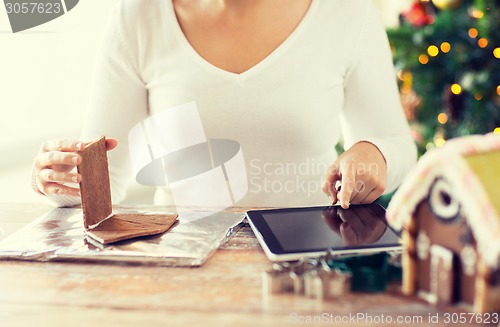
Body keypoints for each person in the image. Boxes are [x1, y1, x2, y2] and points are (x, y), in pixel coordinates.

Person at [32, 0, 417, 209]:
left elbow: (399, 147)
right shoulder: (137, 16)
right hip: (184, 264)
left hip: (311, 260)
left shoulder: (348, 13)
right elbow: (99, 183)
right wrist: (55, 178)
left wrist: (376, 153)